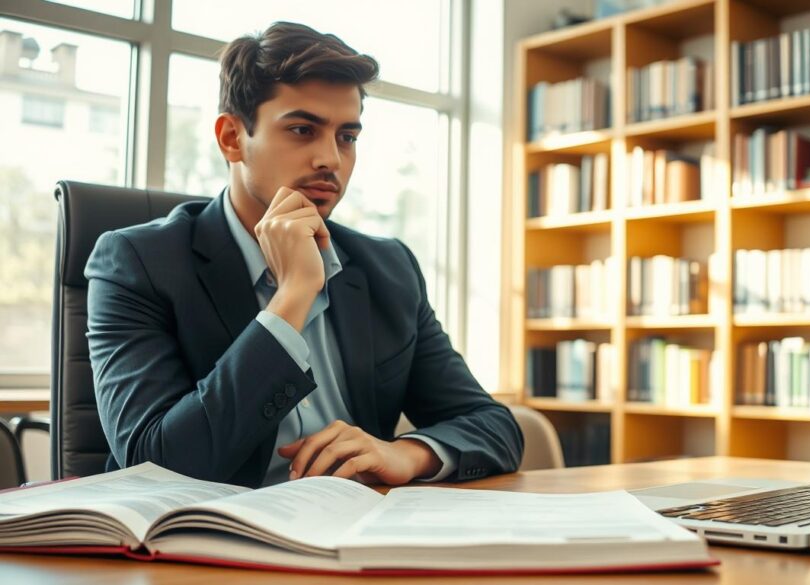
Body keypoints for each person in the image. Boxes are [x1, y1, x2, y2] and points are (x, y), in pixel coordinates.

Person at [84, 21, 523, 488]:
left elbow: (493, 426)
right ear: (232, 138)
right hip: (205, 542)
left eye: (347, 137)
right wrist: (292, 296)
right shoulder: (137, 263)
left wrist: (405, 454)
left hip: (356, 535)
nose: (330, 159)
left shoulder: (388, 268)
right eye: (302, 129)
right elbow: (156, 467)